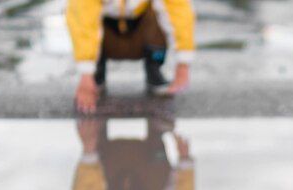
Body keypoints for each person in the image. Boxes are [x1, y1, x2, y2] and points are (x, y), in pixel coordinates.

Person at [66, 0, 196, 113]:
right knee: (87, 15)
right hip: (107, 36)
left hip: (141, 34)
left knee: (161, 12)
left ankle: (154, 67)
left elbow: (178, 10)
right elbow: (82, 19)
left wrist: (183, 63)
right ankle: (96, 72)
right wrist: (85, 73)